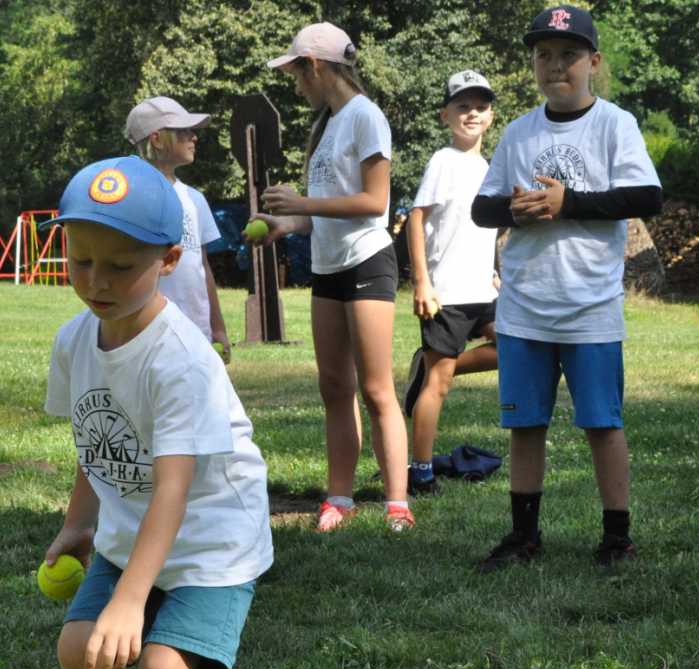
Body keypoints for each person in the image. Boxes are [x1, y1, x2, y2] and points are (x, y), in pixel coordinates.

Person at [42, 156, 274, 669]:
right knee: (78, 655)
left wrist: (132, 601)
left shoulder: (180, 359)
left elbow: (174, 490)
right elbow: (96, 432)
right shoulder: (76, 339)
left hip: (211, 540)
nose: (97, 282)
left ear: (170, 260)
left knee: (163, 665)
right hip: (126, 532)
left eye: (120, 266)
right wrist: (79, 521)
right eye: (82, 262)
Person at [470, 5, 662, 572]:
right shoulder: (519, 131)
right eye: (544, 55)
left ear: (593, 62)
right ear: (533, 63)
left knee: (602, 424)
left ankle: (616, 538)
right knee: (525, 425)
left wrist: (567, 203)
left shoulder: (614, 124)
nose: (556, 66)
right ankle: (524, 536)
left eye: (569, 55)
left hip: (590, 307)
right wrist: (517, 210)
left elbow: (646, 198)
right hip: (526, 305)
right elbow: (483, 208)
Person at [255, 22, 414, 532]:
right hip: (327, 267)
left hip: (367, 262)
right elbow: (326, 211)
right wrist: (287, 224)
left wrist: (301, 202)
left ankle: (397, 505)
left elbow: (374, 202)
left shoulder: (366, 117)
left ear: (317, 66)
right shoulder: (325, 127)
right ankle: (338, 499)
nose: (296, 85)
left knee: (375, 389)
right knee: (333, 387)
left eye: (297, 73)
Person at [404, 70, 500, 496]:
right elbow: (416, 218)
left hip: (485, 290)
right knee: (438, 387)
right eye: (462, 106)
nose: (471, 113)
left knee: (514, 348)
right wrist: (422, 282)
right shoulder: (443, 162)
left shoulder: (487, 166)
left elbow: (486, 226)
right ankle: (420, 471)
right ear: (446, 115)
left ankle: (429, 366)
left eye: (480, 106)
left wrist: (497, 267)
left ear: (492, 116)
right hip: (447, 293)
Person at [124, 96, 231, 362]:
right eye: (183, 131)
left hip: (197, 333)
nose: (193, 137)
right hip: (148, 333)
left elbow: (202, 266)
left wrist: (217, 328)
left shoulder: (195, 199)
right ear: (157, 139)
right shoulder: (130, 196)